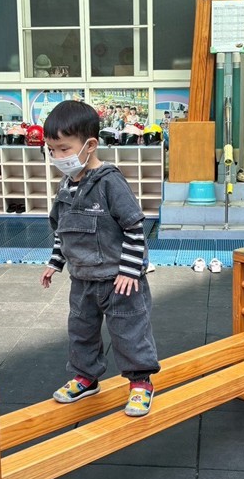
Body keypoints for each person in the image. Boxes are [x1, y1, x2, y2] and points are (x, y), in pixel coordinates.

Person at [40, 100, 159, 417]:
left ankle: (140, 383)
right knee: (80, 331)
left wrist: (129, 271)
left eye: (64, 149)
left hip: (119, 281)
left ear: (90, 145)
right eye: (51, 150)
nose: (57, 157)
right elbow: (62, 230)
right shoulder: (66, 186)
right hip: (83, 280)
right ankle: (86, 377)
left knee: (129, 331)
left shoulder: (109, 182)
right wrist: (55, 263)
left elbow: (134, 227)